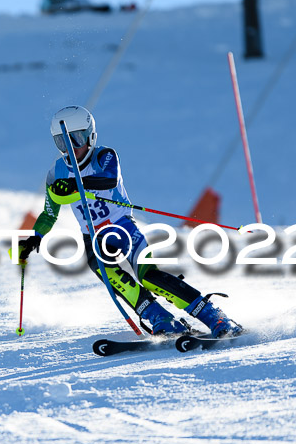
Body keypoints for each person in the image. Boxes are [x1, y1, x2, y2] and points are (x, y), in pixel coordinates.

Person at [15, 105, 242, 337]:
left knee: (149, 277)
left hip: (122, 227)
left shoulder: (105, 156)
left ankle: (214, 316)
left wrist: (77, 184)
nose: (72, 148)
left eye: (77, 138)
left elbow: (109, 180)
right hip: (92, 238)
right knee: (113, 278)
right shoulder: (57, 173)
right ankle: (160, 318)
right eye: (63, 142)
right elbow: (49, 213)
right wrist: (35, 238)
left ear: (91, 135)